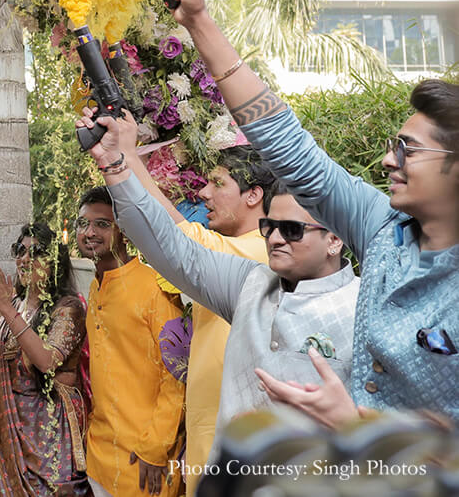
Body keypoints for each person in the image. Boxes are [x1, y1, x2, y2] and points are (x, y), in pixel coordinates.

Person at [155, 0, 459, 425]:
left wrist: (362, 428)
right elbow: (290, 148)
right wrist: (199, 21)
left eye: (407, 150)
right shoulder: (382, 229)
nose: (387, 161)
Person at [81, 111, 362, 463]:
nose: (275, 238)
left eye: (290, 230)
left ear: (334, 239)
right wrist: (115, 165)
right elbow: (170, 246)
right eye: (269, 227)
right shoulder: (250, 284)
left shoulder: (364, 307)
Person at [0, 225, 89, 497]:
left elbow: (47, 361)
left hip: (51, 437)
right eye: (20, 251)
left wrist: (5, 308)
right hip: (8, 435)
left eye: (37, 252)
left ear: (55, 261)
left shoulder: (68, 308)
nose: (25, 259)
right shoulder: (11, 306)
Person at [172, 147, 275, 496]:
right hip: (206, 438)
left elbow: (184, 243)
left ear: (253, 195)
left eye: (218, 182)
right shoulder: (230, 249)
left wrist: (123, 164)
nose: (203, 193)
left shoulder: (265, 252)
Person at [73, 187, 185, 497]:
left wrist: (156, 446)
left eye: (102, 224)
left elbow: (178, 374)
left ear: (125, 230)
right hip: (99, 457)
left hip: (145, 462)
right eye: (83, 224)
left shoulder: (156, 287)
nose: (89, 232)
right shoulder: (96, 288)